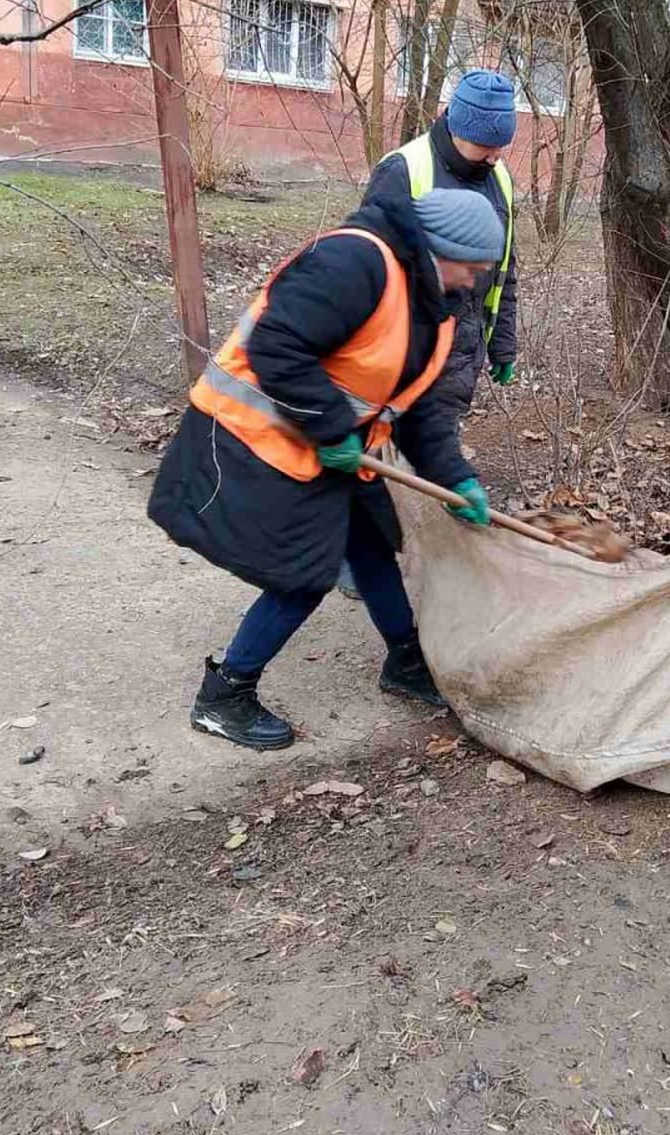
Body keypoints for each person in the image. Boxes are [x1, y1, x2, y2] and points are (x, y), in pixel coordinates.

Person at [147, 187, 505, 751]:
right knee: (303, 574)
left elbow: (420, 410)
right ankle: (224, 695)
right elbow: (278, 345)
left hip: (332, 448)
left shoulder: (433, 311)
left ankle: (406, 664)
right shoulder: (354, 262)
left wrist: (456, 477)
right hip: (256, 438)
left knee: (370, 549)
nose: (474, 283)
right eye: (471, 269)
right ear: (438, 249)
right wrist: (333, 426)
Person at [333, 70, 521, 598]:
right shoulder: (405, 170)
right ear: (456, 126)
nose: (493, 156)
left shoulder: (499, 177)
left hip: (461, 345)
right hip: (402, 338)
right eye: (485, 144)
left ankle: (420, 541)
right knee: (377, 445)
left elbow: (507, 266)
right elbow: (364, 258)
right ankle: (359, 552)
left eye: (500, 146)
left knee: (435, 438)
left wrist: (502, 341)